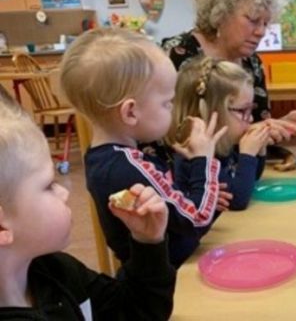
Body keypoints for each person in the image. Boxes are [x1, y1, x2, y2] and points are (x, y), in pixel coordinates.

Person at [60, 27, 227, 268]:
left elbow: (173, 202)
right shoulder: (128, 167)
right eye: (167, 103)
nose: (171, 108)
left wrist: (191, 169)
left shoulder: (104, 158)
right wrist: (204, 159)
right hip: (175, 273)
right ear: (130, 112)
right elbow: (196, 218)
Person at [0, 94, 176, 320]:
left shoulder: (57, 271)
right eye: (48, 186)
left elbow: (135, 311)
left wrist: (147, 242)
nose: (64, 192)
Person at [161, 0, 296, 145]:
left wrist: (280, 126)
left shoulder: (252, 63)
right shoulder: (176, 54)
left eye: (266, 23)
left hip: (240, 170)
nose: (261, 32)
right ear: (221, 13)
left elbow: (253, 126)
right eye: (253, 20)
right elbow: (167, 132)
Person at [168, 57, 271, 211]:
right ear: (210, 114)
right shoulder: (194, 156)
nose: (250, 118)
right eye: (243, 110)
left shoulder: (223, 142)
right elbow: (236, 200)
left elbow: (250, 178)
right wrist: (248, 155)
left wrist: (259, 150)